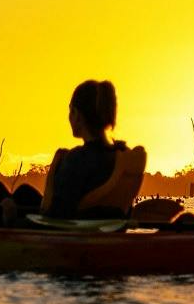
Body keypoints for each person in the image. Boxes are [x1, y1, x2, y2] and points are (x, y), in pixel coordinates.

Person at [44, 80, 148, 220]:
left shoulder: (77, 160)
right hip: (109, 229)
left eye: (71, 110)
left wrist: (54, 169)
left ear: (78, 115)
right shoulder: (123, 155)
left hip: (73, 232)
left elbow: (53, 215)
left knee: (21, 194)